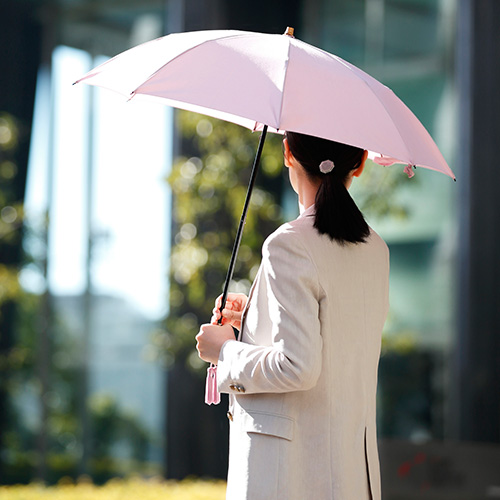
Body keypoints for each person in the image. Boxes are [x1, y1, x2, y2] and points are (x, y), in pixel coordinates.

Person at [196, 131, 390, 500]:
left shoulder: (288, 243)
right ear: (361, 161)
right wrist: (253, 318)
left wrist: (224, 351)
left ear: (287, 152)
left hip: (290, 475)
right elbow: (336, 340)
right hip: (351, 474)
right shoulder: (375, 248)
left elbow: (297, 366)